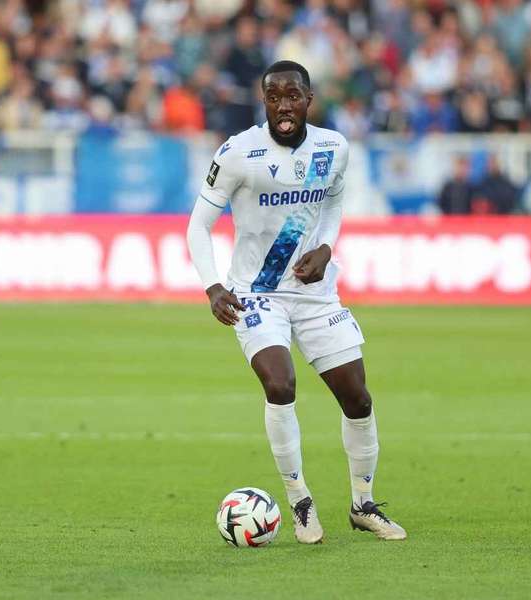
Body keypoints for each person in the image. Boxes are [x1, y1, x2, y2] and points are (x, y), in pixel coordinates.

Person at [186, 60, 407, 544]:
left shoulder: (334, 147)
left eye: (293, 96)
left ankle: (362, 503)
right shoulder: (239, 152)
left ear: (309, 99)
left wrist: (326, 248)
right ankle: (300, 500)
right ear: (263, 101)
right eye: (273, 97)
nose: (283, 106)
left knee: (358, 397)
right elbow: (198, 225)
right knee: (280, 384)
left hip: (313, 293)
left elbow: (331, 203)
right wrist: (212, 286)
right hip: (256, 292)